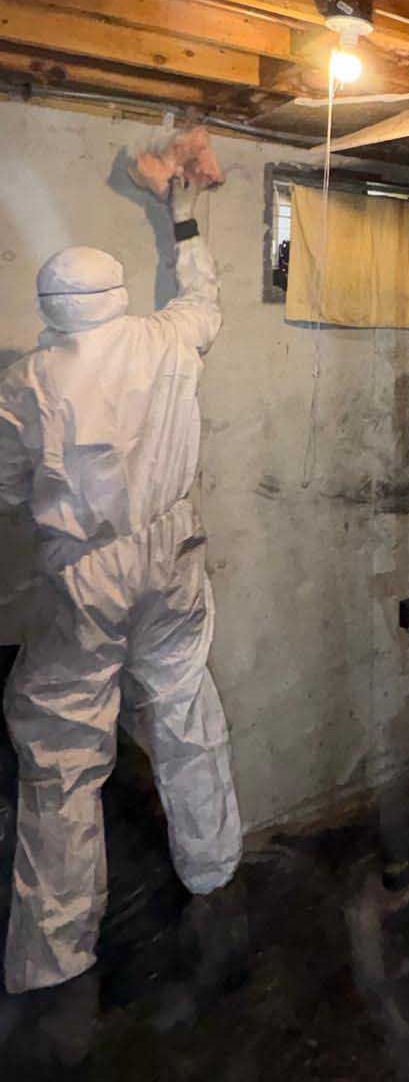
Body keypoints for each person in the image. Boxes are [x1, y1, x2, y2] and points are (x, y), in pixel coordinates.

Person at [0, 174, 243, 999]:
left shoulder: (27, 381)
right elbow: (203, 297)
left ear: (52, 306)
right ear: (114, 296)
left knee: (65, 755)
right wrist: (179, 216)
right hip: (173, 553)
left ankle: (58, 960)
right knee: (182, 701)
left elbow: (3, 486)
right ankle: (213, 869)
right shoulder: (165, 339)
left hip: (84, 575)